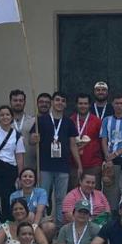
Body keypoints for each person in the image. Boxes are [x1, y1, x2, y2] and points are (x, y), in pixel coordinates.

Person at [34, 92, 76, 225]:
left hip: (63, 166)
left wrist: (79, 165)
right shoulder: (40, 120)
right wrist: (33, 139)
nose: (59, 103)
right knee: (43, 196)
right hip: (45, 165)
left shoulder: (69, 122)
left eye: (63, 101)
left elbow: (73, 144)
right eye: (57, 100)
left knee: (61, 198)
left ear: (65, 104)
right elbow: (31, 140)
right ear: (52, 102)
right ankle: (42, 223)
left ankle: (59, 226)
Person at [70, 92, 105, 185]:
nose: (83, 106)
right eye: (80, 103)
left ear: (89, 105)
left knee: (93, 194)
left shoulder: (97, 121)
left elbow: (103, 142)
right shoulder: (70, 121)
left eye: (85, 103)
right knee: (75, 194)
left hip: (93, 165)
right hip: (74, 165)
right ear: (76, 105)